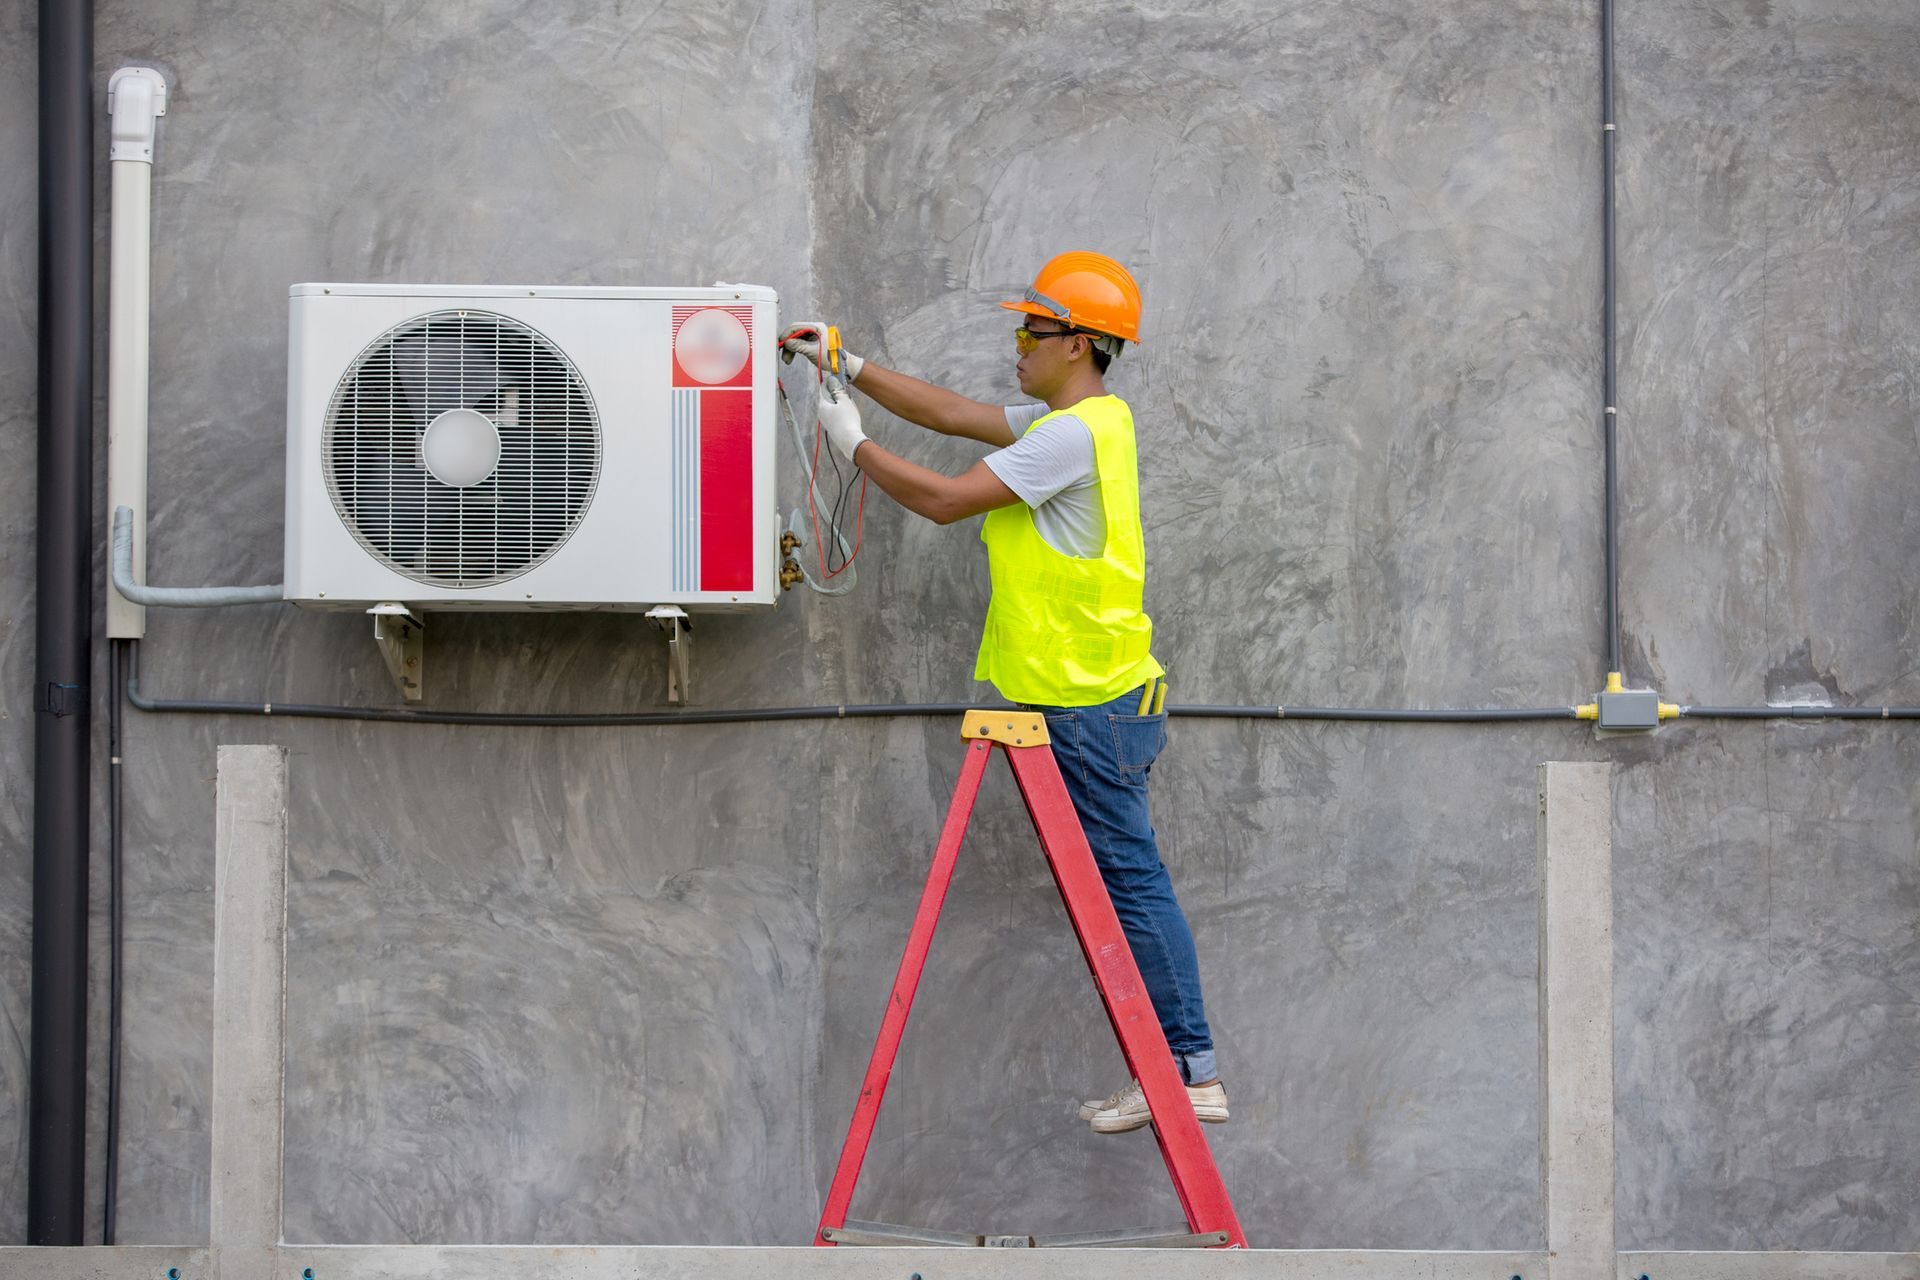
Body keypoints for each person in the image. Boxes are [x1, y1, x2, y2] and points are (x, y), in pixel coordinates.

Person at [780, 252, 1225, 1135]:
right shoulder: (1088, 420)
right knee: (1124, 886)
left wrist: (852, 446)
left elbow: (947, 501)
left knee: (1131, 888)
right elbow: (953, 414)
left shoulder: (1068, 436)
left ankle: (1187, 1071)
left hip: (1089, 704)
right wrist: (851, 365)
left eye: (1035, 330)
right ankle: (1178, 1067)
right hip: (1094, 697)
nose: (1018, 343)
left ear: (1084, 344)